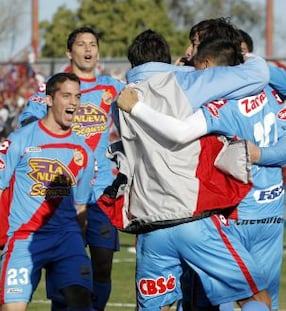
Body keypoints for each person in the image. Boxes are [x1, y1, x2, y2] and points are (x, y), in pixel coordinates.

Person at [103, 27, 273, 310]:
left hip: (150, 227)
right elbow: (258, 75)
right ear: (167, 58)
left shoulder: (119, 102)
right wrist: (236, 47)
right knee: (253, 296)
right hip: (194, 219)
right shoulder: (189, 81)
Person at [0, 72, 96, 311]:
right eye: (66, 96)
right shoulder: (20, 140)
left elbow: (82, 205)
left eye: (77, 96)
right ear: (48, 100)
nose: (74, 103)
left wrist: (79, 240)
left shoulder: (83, 149)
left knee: (81, 299)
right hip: (25, 237)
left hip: (66, 236)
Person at [18, 26, 124, 311]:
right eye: (81, 44)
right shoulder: (56, 86)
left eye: (93, 44)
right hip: (63, 193)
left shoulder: (112, 87)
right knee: (63, 269)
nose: (88, 49)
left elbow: (144, 99)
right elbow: (28, 120)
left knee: (102, 265)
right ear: (70, 51)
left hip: (101, 192)